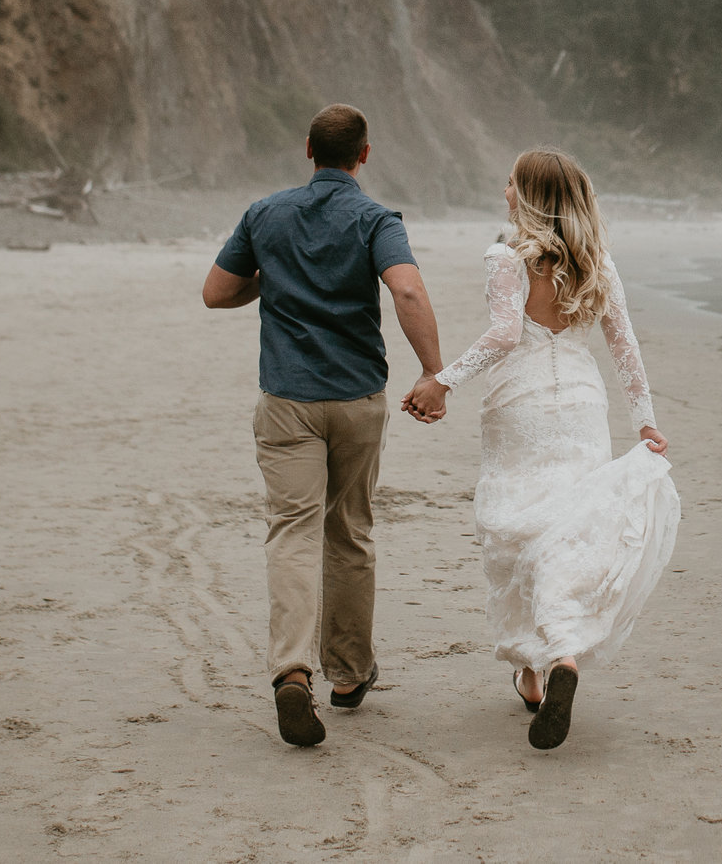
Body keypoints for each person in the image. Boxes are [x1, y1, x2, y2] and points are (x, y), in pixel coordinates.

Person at [403, 148, 680, 750]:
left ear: (526, 196)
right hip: (581, 403)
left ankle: (535, 668)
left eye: (511, 182)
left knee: (517, 528)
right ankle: (559, 659)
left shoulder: (506, 257)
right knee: (566, 525)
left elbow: (506, 334)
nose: (503, 188)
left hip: (518, 404)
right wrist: (646, 424)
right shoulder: (595, 262)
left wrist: (441, 380)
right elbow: (625, 347)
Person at [202, 103, 444, 749]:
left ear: (307, 148)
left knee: (292, 530)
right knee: (350, 530)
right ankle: (348, 672)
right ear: (364, 155)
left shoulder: (266, 214)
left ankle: (291, 669)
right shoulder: (375, 219)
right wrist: (434, 371)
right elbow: (409, 292)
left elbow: (216, 290)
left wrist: (270, 280)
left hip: (287, 398)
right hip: (358, 398)